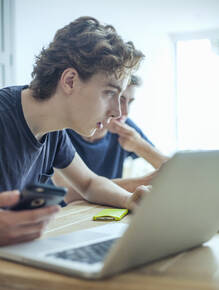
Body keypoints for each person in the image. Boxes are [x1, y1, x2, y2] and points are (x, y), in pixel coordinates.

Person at [0, 16, 147, 246]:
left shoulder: (54, 130)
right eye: (110, 93)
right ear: (69, 81)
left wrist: (131, 200)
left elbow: (88, 183)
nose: (117, 111)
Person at [53, 75, 168, 201]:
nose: (124, 112)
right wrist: (142, 182)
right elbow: (69, 192)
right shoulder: (60, 130)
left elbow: (175, 170)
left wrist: (139, 145)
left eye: (130, 102)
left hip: (104, 211)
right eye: (120, 100)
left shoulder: (126, 126)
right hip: (63, 215)